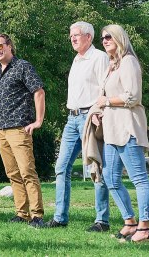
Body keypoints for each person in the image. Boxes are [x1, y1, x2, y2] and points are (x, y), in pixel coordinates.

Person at [91, 24, 149, 243]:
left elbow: (133, 97)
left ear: (120, 38)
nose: (105, 40)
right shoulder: (112, 66)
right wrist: (99, 112)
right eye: (102, 38)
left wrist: (106, 101)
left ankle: (145, 227)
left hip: (128, 129)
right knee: (110, 178)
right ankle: (130, 222)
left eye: (109, 37)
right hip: (111, 131)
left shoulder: (129, 62)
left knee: (139, 179)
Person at [49, 21, 112, 231]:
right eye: (71, 36)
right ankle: (59, 217)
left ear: (88, 37)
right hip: (72, 118)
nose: (73, 39)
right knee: (62, 167)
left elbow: (106, 88)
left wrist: (98, 112)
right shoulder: (76, 59)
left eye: (76, 35)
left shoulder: (99, 57)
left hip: (90, 116)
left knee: (96, 166)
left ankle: (102, 220)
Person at [0, 33, 47, 227]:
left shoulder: (23, 66)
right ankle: (22, 213)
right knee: (13, 173)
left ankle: (37, 215)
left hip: (19, 129)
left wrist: (38, 120)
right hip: (1, 130)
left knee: (27, 172)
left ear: (9, 46)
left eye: (0, 46)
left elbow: (38, 91)